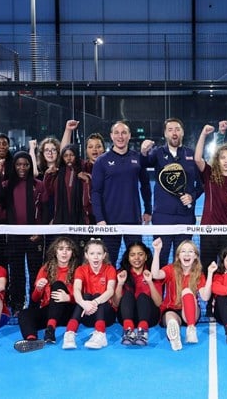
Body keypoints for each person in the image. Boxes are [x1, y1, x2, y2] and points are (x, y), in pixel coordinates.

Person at [140, 118, 203, 265]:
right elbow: (142, 164)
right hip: (162, 218)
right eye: (170, 130)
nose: (174, 133)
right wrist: (143, 152)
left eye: (177, 129)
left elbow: (202, 185)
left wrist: (192, 197)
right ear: (165, 134)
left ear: (182, 132)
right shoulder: (157, 153)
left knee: (184, 263)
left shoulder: (192, 155)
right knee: (160, 261)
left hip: (186, 217)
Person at [0, 151, 49, 314]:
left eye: (25, 164)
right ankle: (17, 303)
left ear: (30, 166)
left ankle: (35, 302)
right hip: (14, 237)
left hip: (34, 236)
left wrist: (40, 231)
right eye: (18, 164)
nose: (22, 167)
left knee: (35, 270)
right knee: (16, 271)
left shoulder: (39, 185)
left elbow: (46, 209)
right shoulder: (6, 185)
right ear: (14, 166)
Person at [91, 121, 152, 265]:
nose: (120, 136)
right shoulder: (101, 161)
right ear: (111, 136)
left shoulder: (138, 158)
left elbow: (145, 186)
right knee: (108, 264)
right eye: (117, 133)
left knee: (137, 262)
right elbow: (96, 192)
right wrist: (100, 219)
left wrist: (148, 209)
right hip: (109, 222)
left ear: (129, 136)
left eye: (124, 133)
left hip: (133, 220)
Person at [13, 237, 79, 353]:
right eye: (60, 249)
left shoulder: (78, 270)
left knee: (58, 285)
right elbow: (35, 298)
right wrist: (38, 289)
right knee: (24, 314)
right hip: (50, 310)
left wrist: (68, 297)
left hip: (69, 311)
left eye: (68, 249)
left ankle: (50, 329)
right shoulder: (46, 268)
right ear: (55, 251)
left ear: (72, 252)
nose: (64, 252)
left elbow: (83, 295)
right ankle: (32, 340)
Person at [194, 124, 227, 270]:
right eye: (223, 158)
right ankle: (207, 293)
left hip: (226, 231)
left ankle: (223, 293)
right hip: (208, 229)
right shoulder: (210, 175)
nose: (226, 161)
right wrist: (204, 134)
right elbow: (198, 159)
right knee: (207, 268)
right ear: (218, 159)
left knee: (225, 269)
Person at [151, 239, 216, 351]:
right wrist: (157, 251)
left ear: (195, 256)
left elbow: (205, 297)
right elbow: (155, 275)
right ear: (178, 256)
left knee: (186, 291)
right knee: (171, 320)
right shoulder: (170, 269)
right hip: (171, 309)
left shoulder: (198, 274)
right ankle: (174, 338)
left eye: (190, 251)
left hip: (190, 312)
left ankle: (191, 329)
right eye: (183, 251)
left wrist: (210, 274)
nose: (186, 254)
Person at [62, 239, 117, 350]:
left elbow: (110, 290)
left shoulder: (110, 269)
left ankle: (101, 334)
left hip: (107, 316)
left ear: (104, 255)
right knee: (85, 296)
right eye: (92, 253)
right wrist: (83, 303)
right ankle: (70, 333)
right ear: (86, 255)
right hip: (87, 313)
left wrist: (95, 302)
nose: (95, 257)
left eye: (99, 253)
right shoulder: (81, 270)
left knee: (98, 295)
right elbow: (77, 289)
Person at [113, 241, 162, 346]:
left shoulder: (153, 273)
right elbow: (116, 304)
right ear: (128, 258)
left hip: (149, 318)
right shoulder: (121, 273)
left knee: (142, 297)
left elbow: (158, 303)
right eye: (132, 255)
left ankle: (143, 332)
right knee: (127, 295)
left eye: (140, 254)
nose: (136, 258)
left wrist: (149, 281)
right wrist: (120, 283)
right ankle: (128, 331)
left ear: (146, 257)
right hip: (127, 317)